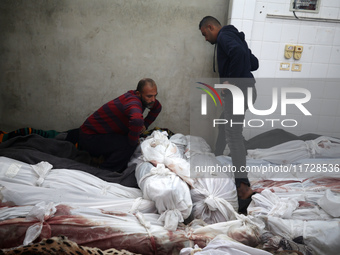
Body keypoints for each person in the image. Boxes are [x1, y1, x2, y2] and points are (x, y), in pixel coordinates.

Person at [199, 16, 259, 205]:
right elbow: (254, 63)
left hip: (239, 92)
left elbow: (240, 55)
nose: (205, 39)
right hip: (248, 90)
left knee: (233, 134)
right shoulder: (235, 36)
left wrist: (230, 81)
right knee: (225, 124)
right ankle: (217, 156)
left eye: (204, 34)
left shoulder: (225, 36)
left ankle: (243, 187)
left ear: (210, 27)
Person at [78, 78, 162, 172]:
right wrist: (133, 141)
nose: (153, 100)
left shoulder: (145, 99)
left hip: (102, 133)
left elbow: (157, 107)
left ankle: (103, 159)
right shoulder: (133, 102)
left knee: (130, 140)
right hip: (89, 137)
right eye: (149, 96)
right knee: (129, 145)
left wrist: (145, 125)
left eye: (155, 95)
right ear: (138, 94)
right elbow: (137, 121)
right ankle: (104, 171)